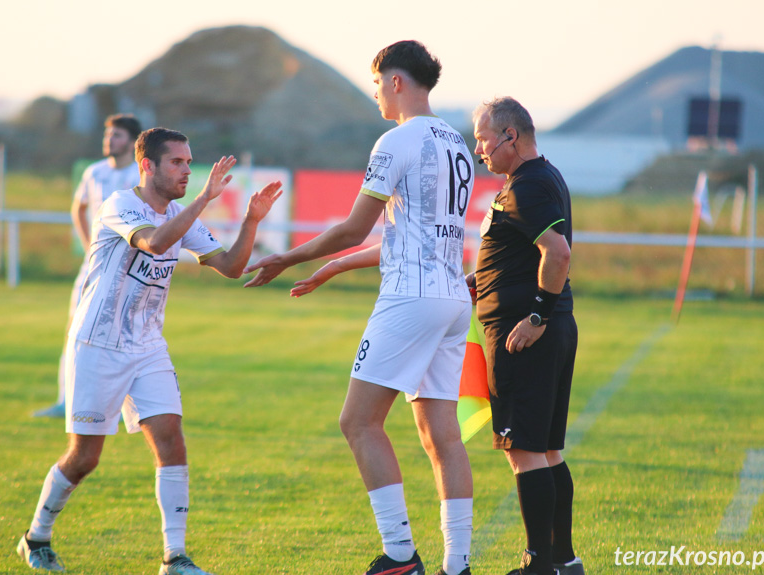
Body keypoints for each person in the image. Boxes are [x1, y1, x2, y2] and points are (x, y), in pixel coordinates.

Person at [244, 40, 474, 575]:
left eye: (376, 83)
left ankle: (399, 558)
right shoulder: (458, 143)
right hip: (452, 300)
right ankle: (457, 566)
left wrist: (288, 257)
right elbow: (413, 236)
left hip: (411, 298)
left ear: (396, 81)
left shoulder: (396, 139)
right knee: (442, 434)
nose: (375, 95)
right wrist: (334, 267)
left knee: (359, 422)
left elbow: (353, 227)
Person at [16, 127, 283, 574]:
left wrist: (252, 220)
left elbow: (231, 268)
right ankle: (36, 538)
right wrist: (204, 199)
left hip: (147, 347)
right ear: (148, 166)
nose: (186, 170)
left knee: (171, 440)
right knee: (85, 457)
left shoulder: (184, 215)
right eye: (177, 162)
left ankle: (173, 558)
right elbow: (154, 242)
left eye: (188, 161)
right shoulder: (121, 204)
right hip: (97, 344)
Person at [468, 97, 584, 575]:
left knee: (524, 451)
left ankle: (538, 565)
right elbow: (526, 252)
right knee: (548, 450)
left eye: (483, 139)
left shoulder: (527, 185)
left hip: (526, 336)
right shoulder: (543, 176)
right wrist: (486, 280)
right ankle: (564, 561)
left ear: (510, 136)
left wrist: (535, 317)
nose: (480, 150)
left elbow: (556, 254)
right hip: (549, 329)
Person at [34, 114, 143, 418]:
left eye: (118, 135)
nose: (110, 140)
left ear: (133, 142)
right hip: (94, 267)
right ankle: (65, 401)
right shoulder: (94, 172)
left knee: (124, 334)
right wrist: (88, 247)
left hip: (126, 270)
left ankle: (125, 407)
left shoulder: (140, 176)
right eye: (108, 134)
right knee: (75, 329)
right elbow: (78, 208)